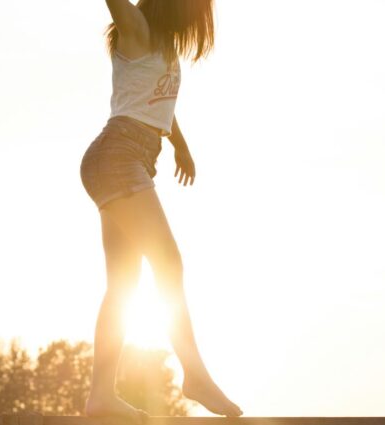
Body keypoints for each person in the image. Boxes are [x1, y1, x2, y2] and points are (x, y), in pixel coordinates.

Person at [79, 0, 243, 421]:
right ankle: (195, 374)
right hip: (118, 155)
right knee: (168, 261)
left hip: (122, 159)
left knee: (123, 284)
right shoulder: (134, 24)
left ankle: (100, 395)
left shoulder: (163, 47)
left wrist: (180, 145)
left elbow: (158, 102)